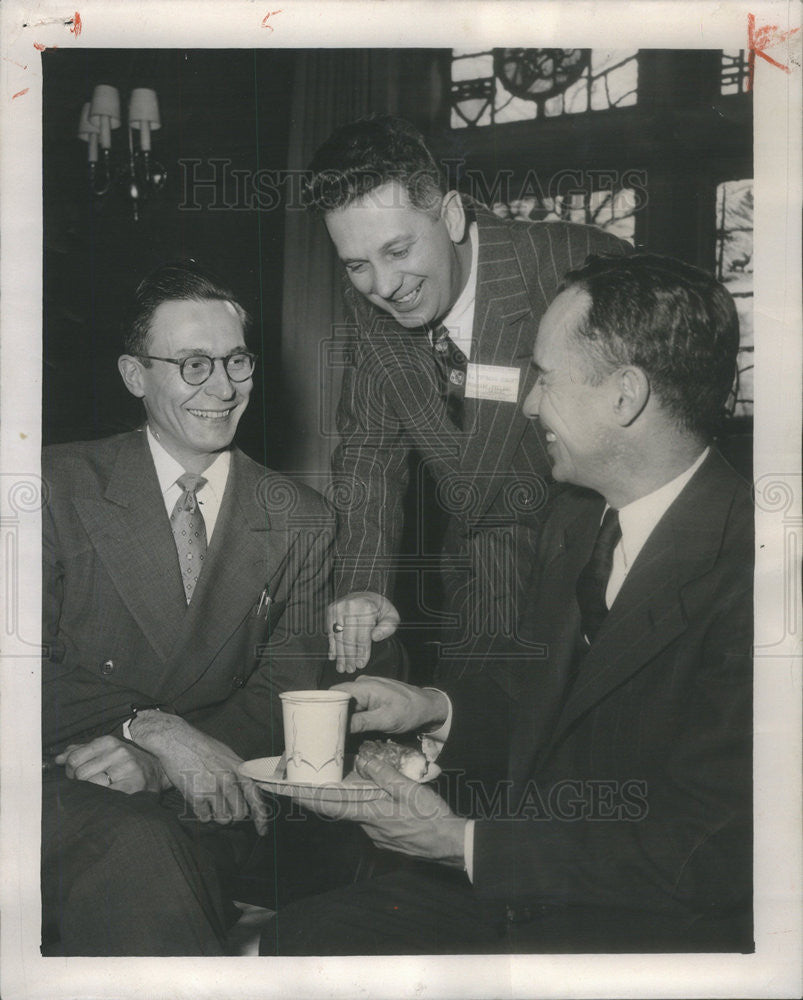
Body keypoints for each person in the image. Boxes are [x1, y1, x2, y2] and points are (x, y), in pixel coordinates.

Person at [261, 253, 753, 955]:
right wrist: (430, 707)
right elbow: (539, 699)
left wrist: (461, 843)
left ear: (625, 396)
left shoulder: (757, 570)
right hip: (536, 893)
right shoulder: (575, 520)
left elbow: (712, 852)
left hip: (654, 932)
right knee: (301, 938)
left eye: (545, 379)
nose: (526, 404)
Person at [41, 260, 343, 955]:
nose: (224, 388)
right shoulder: (52, 486)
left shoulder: (300, 518)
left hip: (212, 790)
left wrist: (162, 760)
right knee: (136, 856)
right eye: (194, 364)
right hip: (60, 776)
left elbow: (285, 687)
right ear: (134, 375)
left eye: (236, 361)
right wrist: (147, 728)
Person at [304, 114, 629, 676]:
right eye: (357, 264)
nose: (382, 287)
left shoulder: (573, 264)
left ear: (450, 215)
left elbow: (681, 373)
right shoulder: (372, 296)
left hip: (592, 578)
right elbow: (369, 455)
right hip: (480, 588)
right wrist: (361, 587)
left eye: (399, 250)